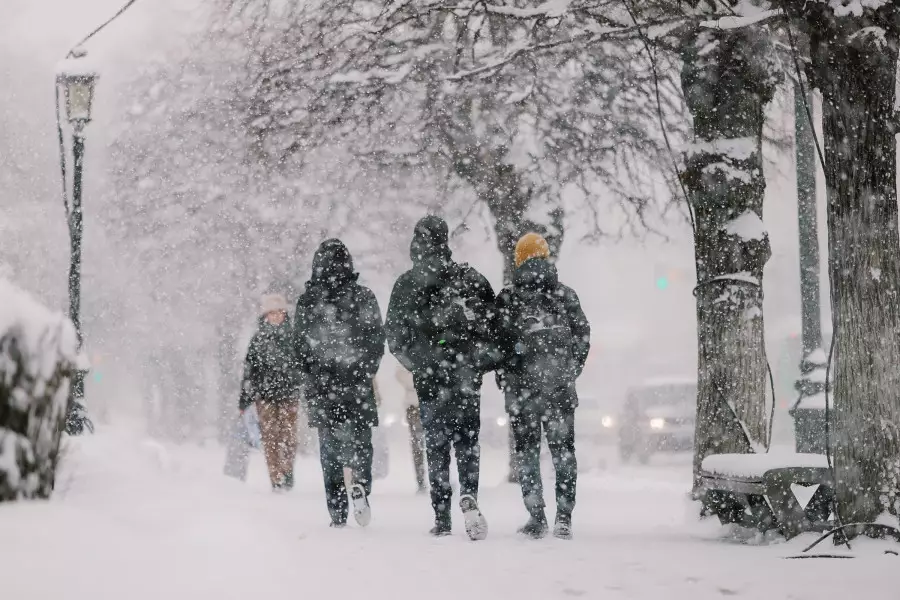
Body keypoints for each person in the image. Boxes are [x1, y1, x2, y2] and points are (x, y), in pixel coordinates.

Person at [385, 215, 496, 540]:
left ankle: (442, 515)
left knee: (435, 446)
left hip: (430, 382)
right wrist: (474, 363)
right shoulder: (469, 278)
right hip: (465, 379)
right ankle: (469, 494)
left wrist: (422, 364)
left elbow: (395, 338)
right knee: (467, 443)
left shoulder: (407, 284)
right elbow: (494, 328)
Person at [494, 233, 590, 540]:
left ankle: (536, 517)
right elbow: (583, 336)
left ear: (518, 259)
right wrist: (569, 371)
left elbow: (497, 343)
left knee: (527, 453)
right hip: (559, 390)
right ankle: (564, 517)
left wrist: (507, 371)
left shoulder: (508, 298)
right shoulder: (565, 295)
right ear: (546, 256)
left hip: (521, 393)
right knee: (563, 452)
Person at [293, 239, 385, 528]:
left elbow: (300, 347)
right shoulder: (363, 297)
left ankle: (337, 511)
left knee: (330, 450)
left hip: (323, 387)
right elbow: (376, 339)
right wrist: (365, 370)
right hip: (356, 384)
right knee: (361, 442)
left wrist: (313, 374)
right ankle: (360, 483)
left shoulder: (308, 302)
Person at [238, 294, 303, 491]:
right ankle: (276, 477)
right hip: (265, 397)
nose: (275, 316)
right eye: (271, 313)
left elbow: (303, 366)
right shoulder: (258, 340)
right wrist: (244, 400)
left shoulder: (293, 337)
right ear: (265, 315)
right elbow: (249, 371)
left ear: (284, 314)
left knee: (288, 436)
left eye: (279, 312)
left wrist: (298, 382)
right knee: (270, 438)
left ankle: (287, 470)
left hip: (289, 395)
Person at [396, 364, 427, 493]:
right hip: (413, 406)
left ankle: (437, 478)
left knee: (435, 443)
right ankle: (420, 479)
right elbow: (399, 375)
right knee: (417, 444)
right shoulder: (407, 360)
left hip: (428, 403)